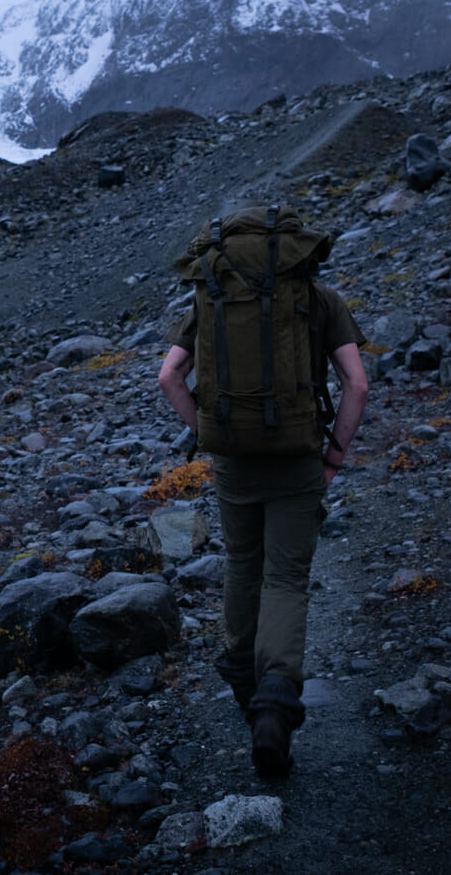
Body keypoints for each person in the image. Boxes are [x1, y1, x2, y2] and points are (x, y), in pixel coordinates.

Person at [156, 211, 368, 779]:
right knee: (285, 577)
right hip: (299, 459)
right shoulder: (320, 298)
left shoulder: (209, 299)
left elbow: (169, 377)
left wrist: (208, 437)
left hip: (235, 462)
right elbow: (357, 384)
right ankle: (275, 702)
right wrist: (334, 456)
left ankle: (250, 695)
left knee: (243, 565)